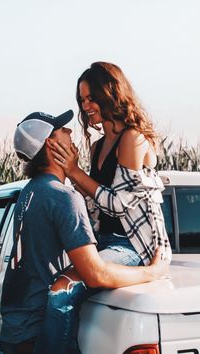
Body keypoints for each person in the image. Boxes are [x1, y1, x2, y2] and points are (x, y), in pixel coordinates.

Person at [0, 109, 169, 354]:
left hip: (15, 332)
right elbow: (96, 275)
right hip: (42, 335)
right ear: (51, 144)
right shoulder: (62, 197)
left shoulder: (30, 192)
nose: (70, 131)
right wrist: (153, 272)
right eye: (62, 129)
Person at [51, 61, 172, 266]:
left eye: (91, 98)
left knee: (68, 283)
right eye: (82, 100)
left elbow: (118, 204)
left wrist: (75, 171)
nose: (85, 106)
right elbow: (95, 200)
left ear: (111, 94)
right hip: (103, 240)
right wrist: (68, 173)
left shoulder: (132, 138)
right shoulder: (97, 146)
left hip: (134, 245)